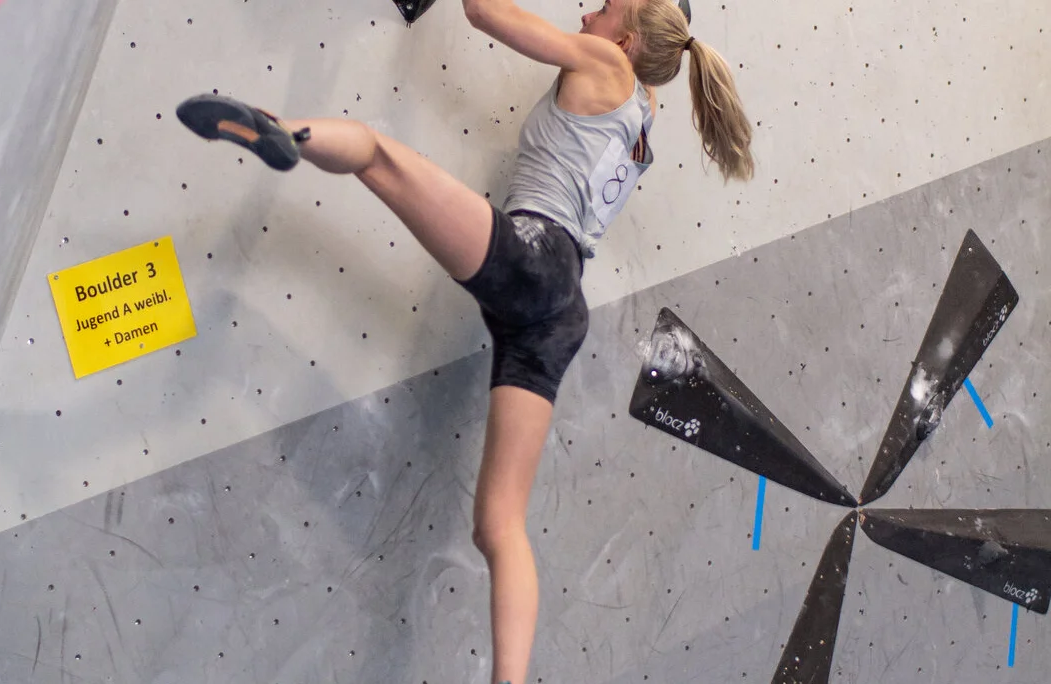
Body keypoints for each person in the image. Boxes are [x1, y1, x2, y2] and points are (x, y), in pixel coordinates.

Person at [176, 1, 753, 681]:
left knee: (377, 152)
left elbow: (483, 12)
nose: (584, 11)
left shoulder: (602, 62)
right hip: (558, 309)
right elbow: (654, 48)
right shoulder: (645, 116)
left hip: (535, 259)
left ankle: (281, 132)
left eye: (602, 9)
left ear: (623, 43)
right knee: (498, 526)